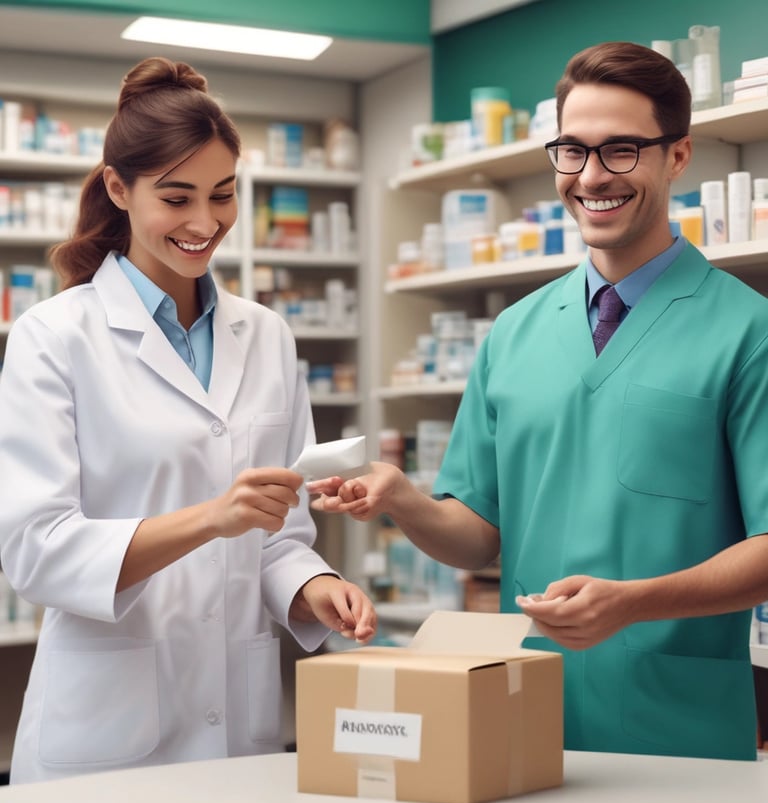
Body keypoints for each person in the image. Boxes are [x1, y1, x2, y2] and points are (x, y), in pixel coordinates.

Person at [308, 41, 768, 761]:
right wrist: (403, 498)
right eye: (571, 150)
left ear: (677, 156)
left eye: (621, 150)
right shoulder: (514, 335)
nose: (591, 176)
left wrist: (633, 602)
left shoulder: (747, 330)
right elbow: (478, 532)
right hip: (520, 719)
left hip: (678, 732)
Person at [0, 57, 377, 785]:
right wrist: (212, 518)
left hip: (241, 725)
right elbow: (38, 551)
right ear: (119, 187)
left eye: (223, 194)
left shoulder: (266, 334)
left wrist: (313, 586)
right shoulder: (54, 336)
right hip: (105, 738)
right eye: (176, 198)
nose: (205, 223)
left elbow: (280, 532)